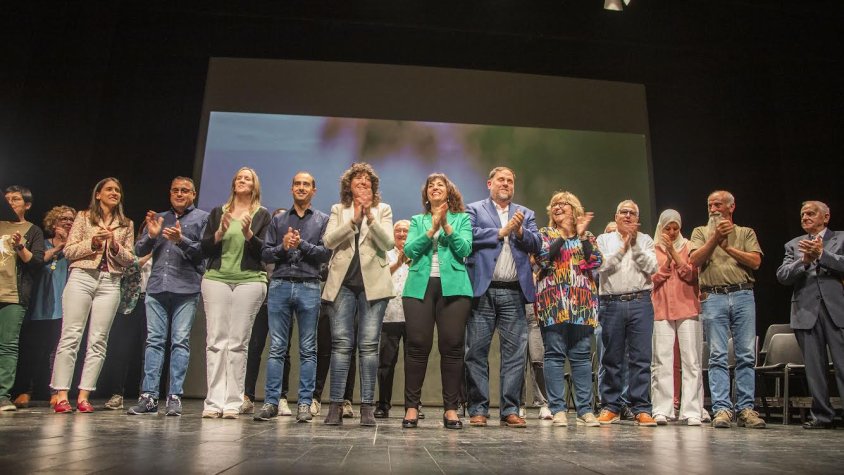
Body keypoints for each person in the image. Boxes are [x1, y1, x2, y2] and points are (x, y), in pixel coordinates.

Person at [465, 166, 541, 428]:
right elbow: (468, 237)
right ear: (489, 184)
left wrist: (519, 231)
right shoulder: (474, 210)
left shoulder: (526, 214)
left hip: (513, 292)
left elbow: (537, 244)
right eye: (501, 179)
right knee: (475, 352)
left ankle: (510, 409)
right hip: (483, 290)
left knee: (515, 355)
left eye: (510, 180)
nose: (506, 183)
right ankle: (478, 409)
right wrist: (501, 231)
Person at [50, 178, 135, 413]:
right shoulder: (84, 217)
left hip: (110, 282)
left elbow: (130, 259)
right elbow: (69, 250)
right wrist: (95, 242)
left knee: (98, 340)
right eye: (109, 189)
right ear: (98, 194)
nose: (114, 193)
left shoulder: (126, 223)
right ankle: (61, 394)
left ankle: (85, 395)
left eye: (118, 190)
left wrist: (115, 246)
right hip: (82, 277)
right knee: (71, 336)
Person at [127, 177, 209, 416]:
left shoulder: (202, 218)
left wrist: (180, 240)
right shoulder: (159, 218)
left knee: (180, 342)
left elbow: (202, 255)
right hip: (157, 287)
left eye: (185, 191)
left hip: (186, 287)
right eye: (175, 190)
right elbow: (139, 251)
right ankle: (149, 397)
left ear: (193, 194)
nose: (179, 194)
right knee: (154, 341)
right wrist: (152, 235)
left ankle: (174, 396)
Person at [322, 162, 394, 427]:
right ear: (349, 186)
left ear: (373, 188)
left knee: (368, 346)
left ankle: (367, 407)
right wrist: (353, 220)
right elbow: (328, 241)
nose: (363, 183)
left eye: (367, 181)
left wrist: (370, 219)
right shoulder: (338, 210)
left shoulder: (383, 210)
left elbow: (388, 243)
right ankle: (335, 406)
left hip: (373, 286)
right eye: (358, 180)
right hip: (342, 285)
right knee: (341, 345)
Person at [255, 172, 331, 422]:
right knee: (277, 347)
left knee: (308, 349)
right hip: (280, 284)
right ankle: (271, 402)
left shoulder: (322, 220)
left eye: (306, 184)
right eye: (297, 184)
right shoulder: (278, 220)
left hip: (309, 285)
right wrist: (283, 247)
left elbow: (325, 254)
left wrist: (301, 246)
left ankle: (304, 404)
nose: (301, 188)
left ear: (313, 190)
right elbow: (265, 254)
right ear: (291, 189)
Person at [401, 173, 473, 429]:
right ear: (426, 194)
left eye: (440, 185)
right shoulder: (417, 220)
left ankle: (451, 410)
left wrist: (446, 225)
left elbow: (465, 250)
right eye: (431, 185)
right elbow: (408, 251)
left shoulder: (462, 218)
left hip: (454, 287)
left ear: (449, 192)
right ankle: (411, 407)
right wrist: (431, 227)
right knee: (417, 346)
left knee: (452, 347)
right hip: (419, 286)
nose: (435, 188)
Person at [689, 190, 765, 429]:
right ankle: (722, 408)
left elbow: (755, 262)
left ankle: (745, 409)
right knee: (717, 355)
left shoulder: (745, 232)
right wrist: (714, 240)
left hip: (743, 294)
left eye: (718, 204)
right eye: (710, 205)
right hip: (714, 297)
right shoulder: (700, 232)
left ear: (731, 207)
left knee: (745, 354)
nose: (713, 209)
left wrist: (728, 247)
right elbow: (694, 260)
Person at [200, 167, 271, 419]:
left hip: (250, 281)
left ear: (254, 185)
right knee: (216, 340)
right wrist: (219, 233)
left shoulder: (262, 215)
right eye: (239, 177)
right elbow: (204, 249)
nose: (242, 181)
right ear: (234, 184)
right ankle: (213, 401)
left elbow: (266, 253)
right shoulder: (219, 213)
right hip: (216, 279)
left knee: (238, 342)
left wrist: (248, 233)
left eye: (247, 178)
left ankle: (232, 401)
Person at [534, 191, 602, 427]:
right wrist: (563, 235)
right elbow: (542, 259)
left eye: (563, 204)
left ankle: (585, 410)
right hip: (553, 304)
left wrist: (581, 237)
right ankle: (558, 409)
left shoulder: (589, 236)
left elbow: (595, 262)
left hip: (582, 304)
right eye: (554, 204)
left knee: (581, 357)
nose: (558, 207)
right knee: (553, 356)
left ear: (574, 209)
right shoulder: (545, 234)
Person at [776, 201, 844, 429]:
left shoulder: (840, 239)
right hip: (806, 312)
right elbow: (783, 275)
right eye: (802, 214)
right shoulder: (794, 245)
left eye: (811, 213)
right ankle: (822, 416)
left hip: (837, 310)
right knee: (815, 369)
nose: (805, 217)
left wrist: (823, 255)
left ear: (825, 217)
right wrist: (803, 261)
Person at [595, 199, 659, 426]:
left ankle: (641, 407)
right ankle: (610, 406)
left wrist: (634, 245)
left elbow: (653, 268)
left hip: (640, 301)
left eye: (632, 213)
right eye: (624, 212)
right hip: (611, 303)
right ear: (616, 216)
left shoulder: (646, 240)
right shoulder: (603, 240)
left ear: (637, 219)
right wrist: (623, 248)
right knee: (611, 357)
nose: (628, 216)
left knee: (640, 358)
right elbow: (601, 266)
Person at [11, 205, 74, 409]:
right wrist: (58, 247)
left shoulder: (76, 247)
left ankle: (55, 391)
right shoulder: (42, 243)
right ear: (53, 223)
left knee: (57, 351)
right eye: (63, 219)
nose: (67, 222)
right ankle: (24, 390)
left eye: (71, 219)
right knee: (33, 349)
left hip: (63, 305)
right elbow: (37, 262)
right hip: (39, 303)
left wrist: (68, 245)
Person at [650, 209, 703, 426]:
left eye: (675, 228)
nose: (671, 232)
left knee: (691, 360)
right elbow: (650, 279)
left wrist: (674, 253)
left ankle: (692, 410)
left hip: (687, 307)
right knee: (662, 359)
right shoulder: (652, 249)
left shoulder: (689, 247)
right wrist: (666, 263)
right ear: (660, 228)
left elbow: (691, 275)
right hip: (661, 308)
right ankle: (663, 409)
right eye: (667, 228)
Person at [0, 186, 45, 411]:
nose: (10, 202)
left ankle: (2, 396)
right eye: (7, 199)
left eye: (15, 199)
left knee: (7, 345)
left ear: (26, 205)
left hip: (13, 293)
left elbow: (37, 262)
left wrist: (19, 246)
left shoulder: (32, 230)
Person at [242, 207, 288, 416]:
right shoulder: (265, 247)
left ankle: (281, 397)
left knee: (282, 350)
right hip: (262, 298)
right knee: (254, 346)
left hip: (284, 298)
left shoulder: (291, 247)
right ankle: (247, 396)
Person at [98, 252, 151, 410]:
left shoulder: (164, 252)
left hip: (153, 303)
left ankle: (146, 394)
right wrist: (149, 254)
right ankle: (117, 394)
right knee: (122, 350)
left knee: (149, 350)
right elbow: (126, 270)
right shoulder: (131, 251)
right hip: (129, 304)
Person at [375, 220, 410, 419]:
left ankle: (413, 405)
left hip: (413, 315)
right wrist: (398, 262)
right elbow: (380, 276)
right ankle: (383, 404)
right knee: (386, 364)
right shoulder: (384, 252)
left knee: (413, 363)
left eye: (406, 231)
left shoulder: (417, 252)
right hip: (389, 314)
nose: (402, 234)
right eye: (398, 230)